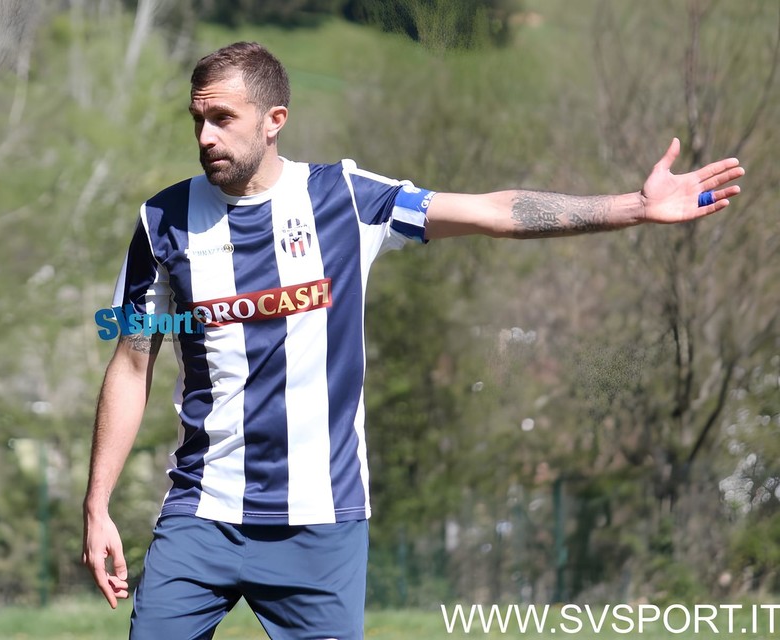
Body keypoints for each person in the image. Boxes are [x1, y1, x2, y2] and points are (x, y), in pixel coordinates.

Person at [81, 41, 744, 639]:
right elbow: (133, 363)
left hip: (321, 521)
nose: (205, 136)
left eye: (223, 118)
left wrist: (634, 206)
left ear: (274, 119)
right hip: (200, 513)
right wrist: (98, 502)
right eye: (197, 119)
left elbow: (491, 211)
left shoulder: (345, 198)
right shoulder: (162, 220)